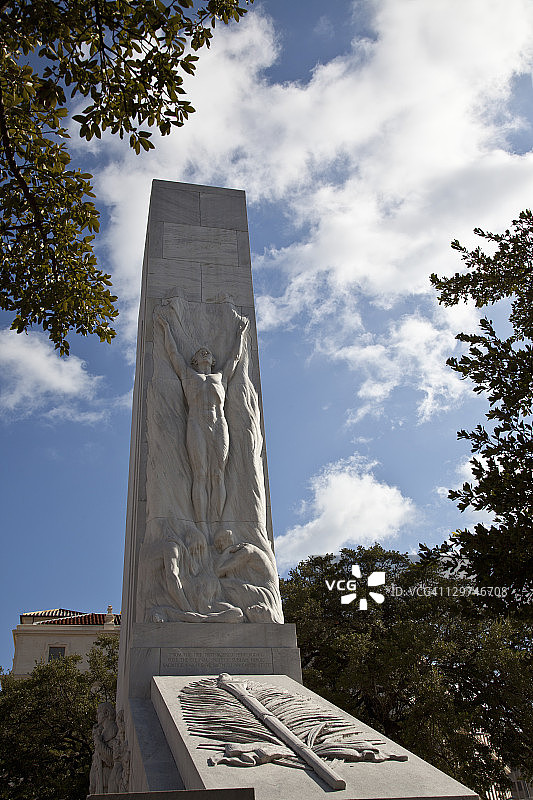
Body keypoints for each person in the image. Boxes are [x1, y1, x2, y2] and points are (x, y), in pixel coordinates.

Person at [158, 314, 249, 528]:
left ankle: (216, 523)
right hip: (196, 424)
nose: (205, 352)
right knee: (200, 474)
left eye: (207, 352)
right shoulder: (188, 375)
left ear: (213, 361)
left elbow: (235, 358)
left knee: (217, 474)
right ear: (195, 361)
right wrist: (166, 327)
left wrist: (240, 334)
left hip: (219, 425)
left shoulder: (221, 377)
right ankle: (201, 523)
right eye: (201, 352)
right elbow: (173, 353)